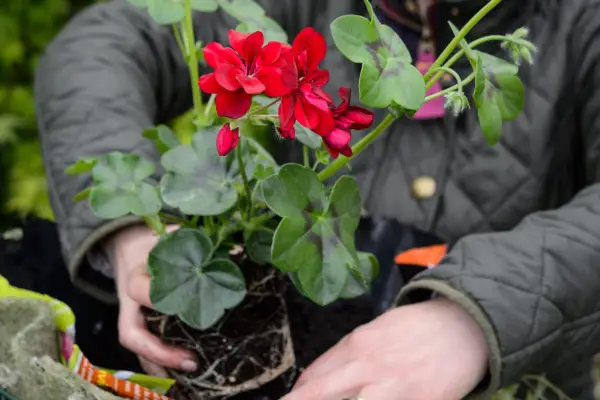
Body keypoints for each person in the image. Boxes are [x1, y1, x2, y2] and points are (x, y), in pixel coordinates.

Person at [34, 0, 600, 398]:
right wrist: (132, 234)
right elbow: (99, 44)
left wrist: (473, 321)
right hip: (295, 345)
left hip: (525, 376)